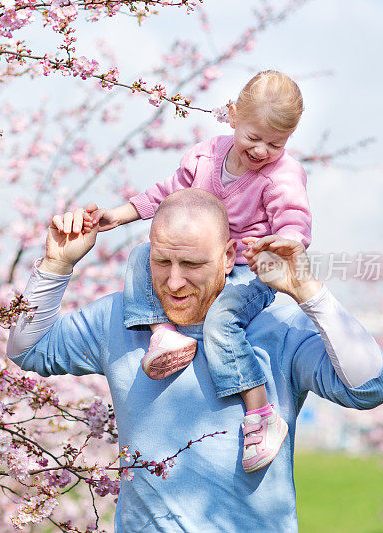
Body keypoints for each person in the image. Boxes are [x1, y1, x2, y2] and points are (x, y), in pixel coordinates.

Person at [6, 189, 383, 532]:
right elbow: (28, 348)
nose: (174, 282)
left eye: (191, 265)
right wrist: (57, 264)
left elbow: (371, 388)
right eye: (161, 262)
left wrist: (309, 292)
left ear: (228, 257)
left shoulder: (278, 328)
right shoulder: (121, 321)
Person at [87, 70, 311, 472]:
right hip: (201, 261)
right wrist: (117, 216)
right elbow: (166, 194)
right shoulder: (205, 156)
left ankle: (261, 413)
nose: (261, 150)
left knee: (222, 322)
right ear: (232, 117)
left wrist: (287, 243)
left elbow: (292, 216)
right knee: (142, 257)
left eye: (275, 143)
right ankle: (163, 334)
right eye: (253, 138)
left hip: (247, 268)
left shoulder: (282, 175)